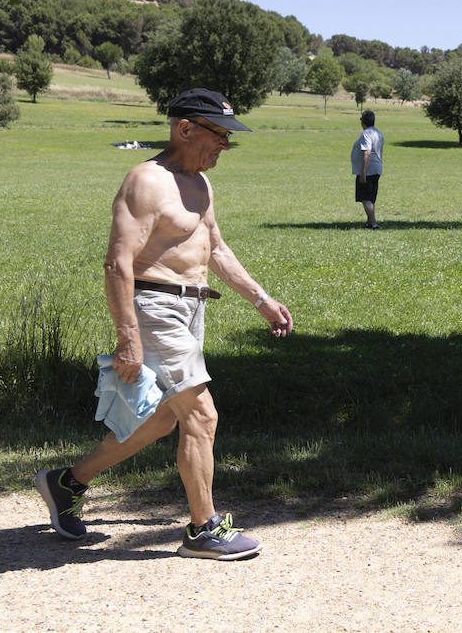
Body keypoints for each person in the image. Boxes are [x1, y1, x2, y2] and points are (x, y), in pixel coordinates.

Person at [36, 87, 293, 561]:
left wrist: (260, 298)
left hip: (191, 309)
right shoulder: (146, 181)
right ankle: (203, 530)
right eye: (219, 135)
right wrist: (127, 337)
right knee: (202, 415)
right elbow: (117, 263)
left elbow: (215, 248)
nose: (225, 146)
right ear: (185, 128)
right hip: (154, 309)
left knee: (157, 421)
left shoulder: (200, 182)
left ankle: (67, 482)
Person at [351, 109, 383, 229]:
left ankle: (374, 223)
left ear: (363, 122)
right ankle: (369, 222)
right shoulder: (378, 133)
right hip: (376, 168)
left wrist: (363, 173)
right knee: (370, 197)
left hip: (368, 170)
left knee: (365, 198)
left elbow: (367, 153)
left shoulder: (366, 134)